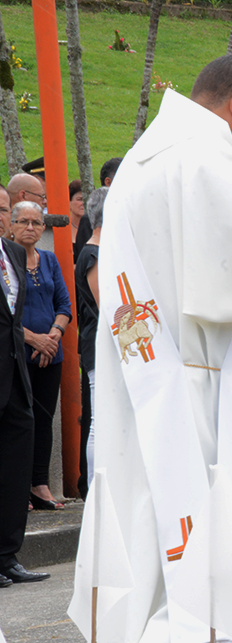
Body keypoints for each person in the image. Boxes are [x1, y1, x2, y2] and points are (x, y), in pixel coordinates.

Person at [85, 55, 232, 643]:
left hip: (138, 367)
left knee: (147, 506)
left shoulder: (138, 161)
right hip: (199, 370)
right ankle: (182, 637)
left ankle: (146, 635)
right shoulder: (206, 153)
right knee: (224, 497)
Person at [0, 189, 51, 585]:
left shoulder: (14, 256)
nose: (0, 216)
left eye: (3, 209)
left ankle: (8, 556)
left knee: (16, 469)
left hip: (17, 379)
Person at [9, 201, 72, 509]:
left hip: (50, 354)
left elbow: (64, 305)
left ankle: (40, 484)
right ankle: (18, 488)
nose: (30, 227)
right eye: (24, 222)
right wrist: (34, 340)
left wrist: (53, 336)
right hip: (17, 354)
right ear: (12, 225)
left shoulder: (49, 261)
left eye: (36, 222)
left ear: (44, 227)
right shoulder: (5, 262)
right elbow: (5, 314)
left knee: (45, 420)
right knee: (19, 422)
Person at [76, 187, 108, 494]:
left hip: (101, 344)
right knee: (99, 422)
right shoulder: (93, 253)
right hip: (98, 346)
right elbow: (106, 304)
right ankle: (97, 491)